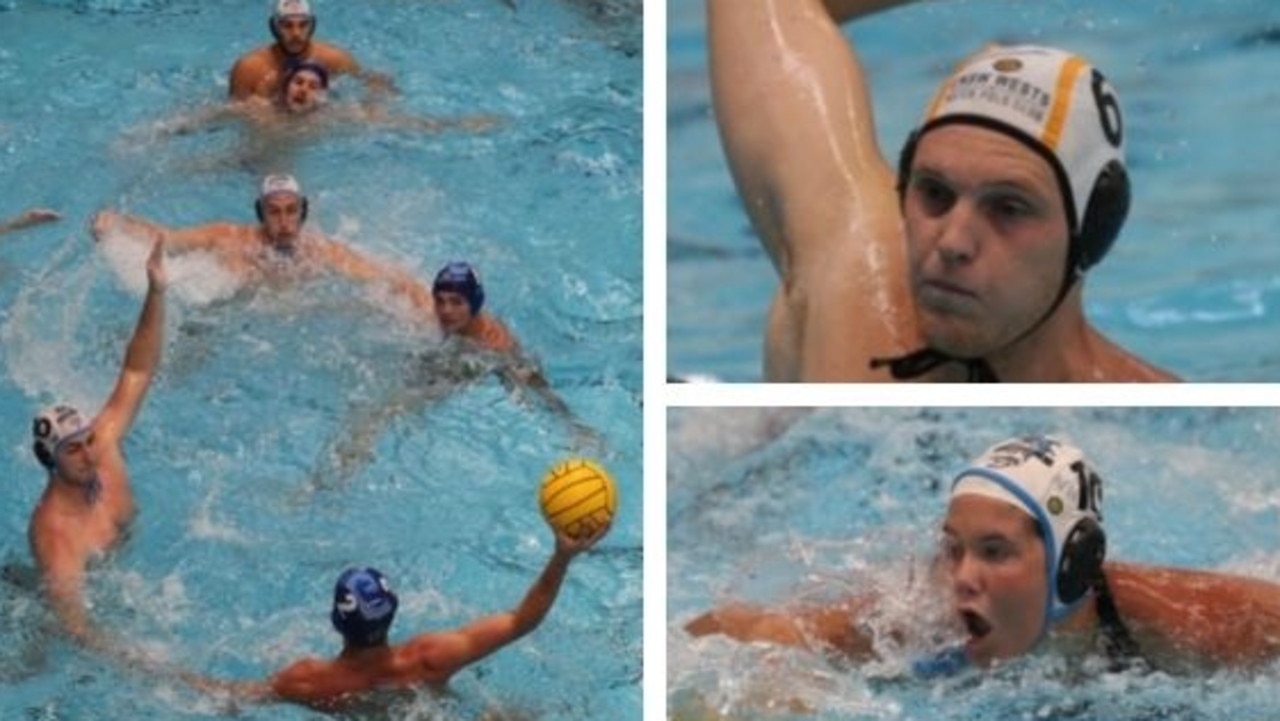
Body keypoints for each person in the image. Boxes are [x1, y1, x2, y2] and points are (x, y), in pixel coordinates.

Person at [707, 0, 1176, 382]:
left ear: (1091, 233)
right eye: (934, 193)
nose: (952, 243)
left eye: (1008, 208)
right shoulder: (855, 281)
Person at [686, 435, 1280, 677]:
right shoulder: (914, 624)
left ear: (1072, 562)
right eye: (952, 550)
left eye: (995, 552)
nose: (962, 577)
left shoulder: (1194, 623)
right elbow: (738, 634)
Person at [184, 522, 608, 711]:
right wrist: (561, 557)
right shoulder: (429, 658)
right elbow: (522, 621)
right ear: (392, 615)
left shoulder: (309, 681)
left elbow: (231, 695)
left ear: (336, 621)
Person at [309, 261, 600, 491]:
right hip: (435, 358)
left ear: (475, 303)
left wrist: (574, 427)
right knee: (371, 403)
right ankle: (331, 478)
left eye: (456, 302)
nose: (446, 311)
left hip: (462, 368)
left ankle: (331, 481)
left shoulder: (497, 344)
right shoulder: (430, 315)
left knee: (388, 410)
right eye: (441, 300)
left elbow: (538, 388)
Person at [27, 239, 167, 644]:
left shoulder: (101, 446)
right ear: (49, 460)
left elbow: (137, 370)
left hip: (122, 577)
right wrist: (159, 669)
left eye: (86, 439)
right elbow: (78, 630)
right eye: (72, 448)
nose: (89, 453)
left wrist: (156, 293)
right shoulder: (57, 538)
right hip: (78, 611)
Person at [91, 173, 434, 311]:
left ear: (303, 212)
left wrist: (418, 294)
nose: (284, 222)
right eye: (274, 212)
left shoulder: (320, 250)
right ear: (260, 213)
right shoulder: (227, 236)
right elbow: (169, 239)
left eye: (291, 211)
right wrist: (118, 224)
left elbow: (378, 275)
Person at [229, 0, 394, 101]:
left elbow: (370, 81)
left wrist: (376, 103)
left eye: (303, 24)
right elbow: (235, 115)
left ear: (312, 25)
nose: (296, 33)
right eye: (287, 25)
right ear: (274, 27)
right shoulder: (249, 69)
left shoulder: (334, 59)